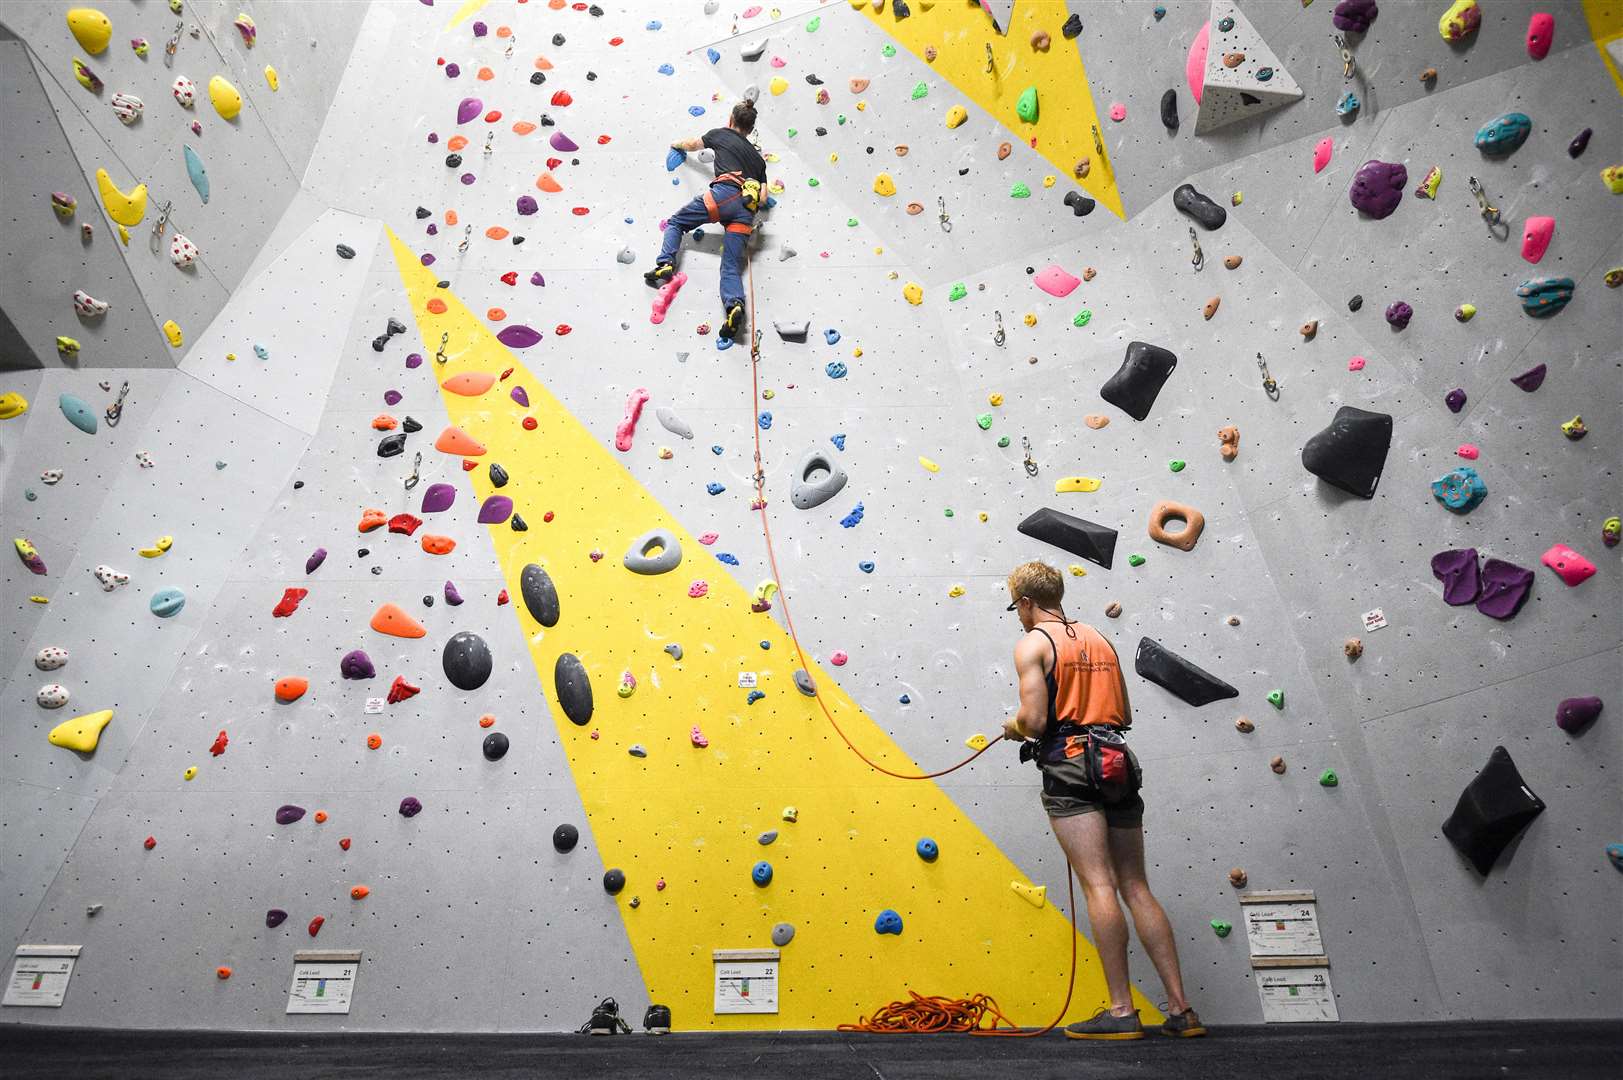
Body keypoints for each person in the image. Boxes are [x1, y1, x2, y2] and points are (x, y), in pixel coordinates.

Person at [1000, 561, 1206, 1040]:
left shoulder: (1033, 643)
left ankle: (1120, 1012)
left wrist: (1012, 727)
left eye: (1017, 607)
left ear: (1026, 603)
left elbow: (1032, 722)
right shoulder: (1099, 638)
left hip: (1070, 763)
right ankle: (1181, 1009)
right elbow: (1124, 712)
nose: (1018, 615)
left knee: (1099, 886)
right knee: (1136, 885)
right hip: (1116, 759)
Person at [646, 99, 767, 341]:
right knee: (731, 267)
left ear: (731, 120)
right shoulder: (758, 161)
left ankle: (666, 263)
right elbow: (762, 198)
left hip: (723, 195)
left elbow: (692, 144)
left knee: (676, 223)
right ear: (751, 129)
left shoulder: (721, 134)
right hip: (745, 212)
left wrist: (675, 143)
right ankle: (734, 306)